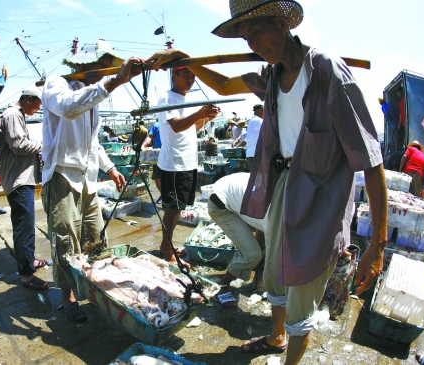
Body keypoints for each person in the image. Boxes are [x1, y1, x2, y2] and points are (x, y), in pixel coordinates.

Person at [147, 1, 387, 364]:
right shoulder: (272, 75)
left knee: (303, 283)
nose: (251, 43)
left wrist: (378, 244)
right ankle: (275, 337)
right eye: (245, 37)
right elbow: (226, 83)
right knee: (275, 268)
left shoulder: (324, 69)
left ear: (280, 23)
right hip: (283, 186)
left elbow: (371, 160)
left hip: (321, 196)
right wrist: (187, 58)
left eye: (256, 32)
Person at [41, 40, 140, 322]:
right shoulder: (57, 85)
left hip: (88, 179)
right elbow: (68, 108)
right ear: (85, 63)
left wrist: (109, 168)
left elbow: (92, 142)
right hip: (62, 175)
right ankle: (68, 297)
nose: (106, 71)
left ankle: (95, 288)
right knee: (64, 239)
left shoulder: (95, 97)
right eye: (102, 64)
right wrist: (116, 81)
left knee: (95, 237)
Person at [156, 65, 219, 265]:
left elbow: (192, 127)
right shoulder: (167, 98)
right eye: (185, 75)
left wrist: (206, 117)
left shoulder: (189, 101)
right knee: (172, 209)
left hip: (188, 162)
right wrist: (199, 113)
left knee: (179, 208)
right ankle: (168, 253)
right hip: (174, 163)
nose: (190, 79)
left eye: (193, 76)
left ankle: (167, 245)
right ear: (174, 75)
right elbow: (176, 125)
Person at [0, 85, 50, 291]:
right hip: (18, 180)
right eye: (36, 106)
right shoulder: (12, 115)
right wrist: (45, 145)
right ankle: (27, 276)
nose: (36, 110)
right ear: (28, 99)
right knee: (24, 228)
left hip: (22, 179)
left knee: (27, 225)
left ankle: (30, 260)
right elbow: (19, 146)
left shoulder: (16, 115)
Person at [208, 173, 267, 307]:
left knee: (259, 248)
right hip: (220, 202)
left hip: (240, 195)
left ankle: (251, 266)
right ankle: (222, 285)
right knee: (252, 254)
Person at [142, 121, 163, 203]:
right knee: (157, 178)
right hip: (157, 156)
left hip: (170, 155)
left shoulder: (174, 123)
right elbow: (150, 137)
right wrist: (144, 145)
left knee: (169, 178)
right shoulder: (156, 125)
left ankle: (169, 196)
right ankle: (163, 195)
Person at [245, 104, 264, 169]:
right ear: (259, 111)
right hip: (257, 154)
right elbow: (267, 134)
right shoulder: (259, 120)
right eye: (263, 111)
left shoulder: (251, 121)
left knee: (253, 177)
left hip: (250, 154)